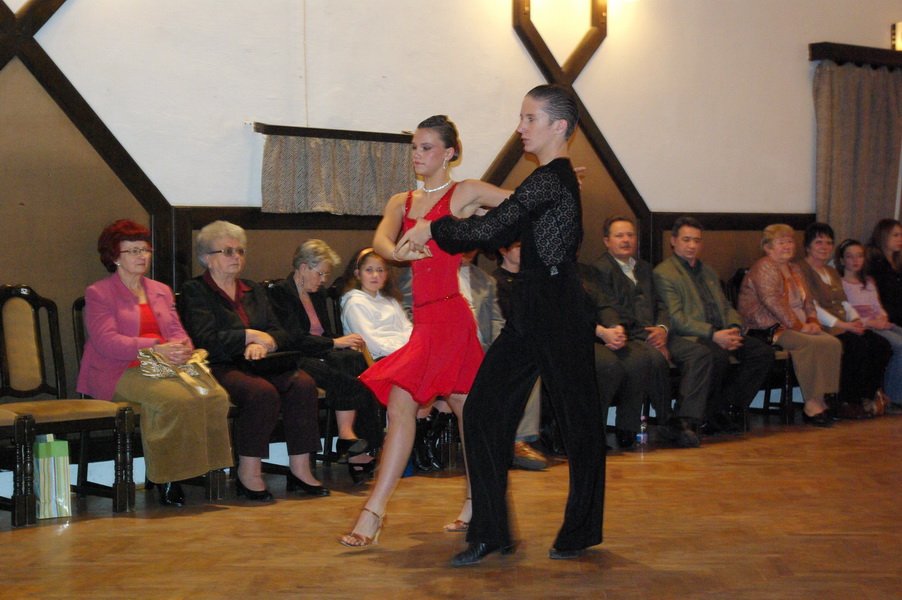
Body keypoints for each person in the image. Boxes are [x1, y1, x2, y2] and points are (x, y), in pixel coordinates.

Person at [398, 85, 605, 564]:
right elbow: (502, 229)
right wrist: (455, 224)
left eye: (530, 119)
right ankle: (491, 532)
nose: (520, 127)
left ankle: (579, 531)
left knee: (579, 425)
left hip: (559, 307)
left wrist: (433, 227)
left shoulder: (552, 178)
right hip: (533, 307)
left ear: (559, 126)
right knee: (483, 411)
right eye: (521, 117)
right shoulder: (544, 181)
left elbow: (492, 229)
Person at [339, 115, 516, 549]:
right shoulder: (402, 201)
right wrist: (400, 252)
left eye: (427, 147)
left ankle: (373, 513)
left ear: (449, 153)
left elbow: (518, 201)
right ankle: (475, 501)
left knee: (415, 407)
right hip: (424, 322)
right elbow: (382, 241)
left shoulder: (465, 192)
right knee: (463, 411)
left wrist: (559, 185)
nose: (417, 155)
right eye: (415, 147)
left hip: (451, 320)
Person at [77, 219, 233, 507]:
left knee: (215, 395)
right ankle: (168, 477)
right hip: (119, 370)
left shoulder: (160, 290)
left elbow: (176, 331)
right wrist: (156, 347)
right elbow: (106, 342)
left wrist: (182, 349)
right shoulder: (99, 293)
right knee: (174, 400)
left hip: (164, 366)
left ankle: (208, 468)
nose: (142, 256)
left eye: (145, 250)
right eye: (133, 251)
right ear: (115, 257)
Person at [179, 220, 327, 501]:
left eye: (240, 251)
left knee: (303, 384)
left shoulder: (252, 289)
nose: (236, 257)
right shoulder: (194, 291)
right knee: (261, 393)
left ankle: (300, 469)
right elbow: (205, 339)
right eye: (227, 251)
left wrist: (265, 342)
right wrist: (249, 336)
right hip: (220, 364)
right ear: (207, 258)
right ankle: (249, 472)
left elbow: (280, 332)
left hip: (262, 362)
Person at [586, 216, 713, 448]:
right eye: (619, 235)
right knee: (653, 358)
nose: (626, 240)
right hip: (631, 335)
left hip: (658, 333)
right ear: (606, 241)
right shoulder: (599, 270)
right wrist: (649, 335)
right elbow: (609, 309)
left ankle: (685, 419)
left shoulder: (644, 267)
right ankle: (666, 421)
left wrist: (662, 329)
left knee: (700, 354)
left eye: (630, 235)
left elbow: (661, 304)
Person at [267, 240, 383, 483]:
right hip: (297, 356)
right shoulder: (280, 293)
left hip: (321, 351)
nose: (323, 280)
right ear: (303, 268)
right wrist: (334, 343)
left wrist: (339, 342)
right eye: (321, 273)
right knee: (347, 376)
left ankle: (356, 443)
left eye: (326, 275)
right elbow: (293, 338)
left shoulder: (317, 294)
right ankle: (352, 442)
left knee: (358, 366)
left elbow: (326, 333)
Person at [653, 216, 775, 434]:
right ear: (673, 241)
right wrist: (713, 334)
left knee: (762, 353)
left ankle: (724, 407)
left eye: (697, 240)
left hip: (722, 332)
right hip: (693, 335)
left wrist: (734, 327)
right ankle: (708, 414)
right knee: (715, 355)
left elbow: (726, 306)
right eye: (686, 240)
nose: (692, 245)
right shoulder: (664, 273)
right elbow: (676, 318)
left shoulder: (708, 271)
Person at [737, 224, 842, 426]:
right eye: (781, 242)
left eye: (789, 241)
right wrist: (799, 326)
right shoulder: (764, 267)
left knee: (832, 342)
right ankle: (811, 404)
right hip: (769, 327)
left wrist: (812, 320)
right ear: (767, 247)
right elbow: (772, 302)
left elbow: (808, 300)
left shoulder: (795, 268)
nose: (787, 246)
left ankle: (821, 398)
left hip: (798, 323)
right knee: (810, 343)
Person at [796, 223, 892, 417]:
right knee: (856, 345)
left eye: (829, 243)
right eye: (819, 242)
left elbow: (844, 302)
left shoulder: (831, 271)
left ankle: (866, 397)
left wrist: (855, 320)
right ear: (807, 246)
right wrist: (843, 325)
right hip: (822, 325)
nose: (824, 247)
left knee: (882, 345)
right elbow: (811, 306)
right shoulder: (801, 269)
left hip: (843, 324)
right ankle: (846, 401)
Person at [490, 243, 548, 469]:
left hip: (536, 339)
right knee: (528, 366)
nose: (523, 251)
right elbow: (501, 321)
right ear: (503, 250)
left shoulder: (533, 278)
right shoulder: (495, 281)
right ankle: (518, 442)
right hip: (507, 340)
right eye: (517, 246)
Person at [836, 238, 902, 413]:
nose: (855, 260)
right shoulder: (841, 283)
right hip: (864, 325)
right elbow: (848, 312)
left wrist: (882, 317)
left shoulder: (868, 281)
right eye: (850, 256)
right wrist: (872, 323)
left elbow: (877, 305)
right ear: (842, 260)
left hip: (878, 322)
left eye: (859, 256)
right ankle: (893, 398)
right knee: (899, 345)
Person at [340, 248, 413, 360]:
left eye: (380, 270)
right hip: (379, 358)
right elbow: (370, 342)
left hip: (403, 351)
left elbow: (407, 327)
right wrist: (403, 352)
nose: (375, 275)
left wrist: (412, 347)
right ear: (358, 274)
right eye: (369, 270)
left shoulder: (390, 300)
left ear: (386, 275)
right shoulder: (355, 303)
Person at [867, 219, 902, 327]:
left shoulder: (898, 263)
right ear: (883, 236)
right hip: (886, 315)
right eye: (895, 235)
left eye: (901, 235)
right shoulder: (874, 263)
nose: (900, 239)